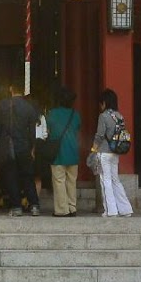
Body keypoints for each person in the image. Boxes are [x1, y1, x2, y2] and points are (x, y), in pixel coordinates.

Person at [0, 83, 41, 217]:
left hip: (8, 146)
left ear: (11, 89)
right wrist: (33, 148)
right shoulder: (29, 107)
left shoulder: (3, 105)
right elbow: (32, 131)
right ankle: (34, 205)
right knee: (28, 176)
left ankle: (16, 206)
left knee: (11, 176)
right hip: (24, 145)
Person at [90, 89, 134, 217]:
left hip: (104, 152)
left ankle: (111, 210)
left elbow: (99, 135)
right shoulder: (119, 116)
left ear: (104, 102)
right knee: (115, 180)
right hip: (115, 152)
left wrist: (93, 150)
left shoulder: (103, 116)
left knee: (105, 180)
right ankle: (126, 209)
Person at [45, 87, 83, 217]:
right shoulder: (75, 114)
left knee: (59, 181)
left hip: (58, 152)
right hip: (73, 151)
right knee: (72, 181)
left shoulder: (52, 113)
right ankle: (72, 207)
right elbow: (78, 129)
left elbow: (48, 130)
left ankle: (62, 209)